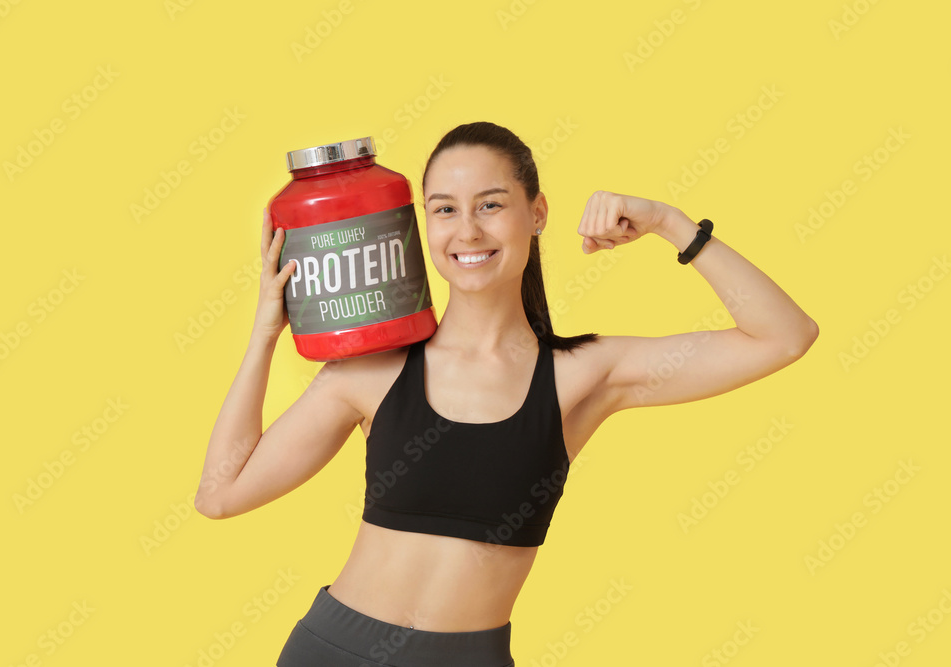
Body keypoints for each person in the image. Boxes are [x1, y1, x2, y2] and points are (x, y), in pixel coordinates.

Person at [194, 121, 819, 666]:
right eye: (444, 209)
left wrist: (669, 223)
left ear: (536, 213)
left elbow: (784, 337)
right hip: (332, 653)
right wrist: (264, 335)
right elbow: (220, 495)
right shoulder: (371, 371)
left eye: (490, 205)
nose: (467, 230)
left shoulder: (585, 375)